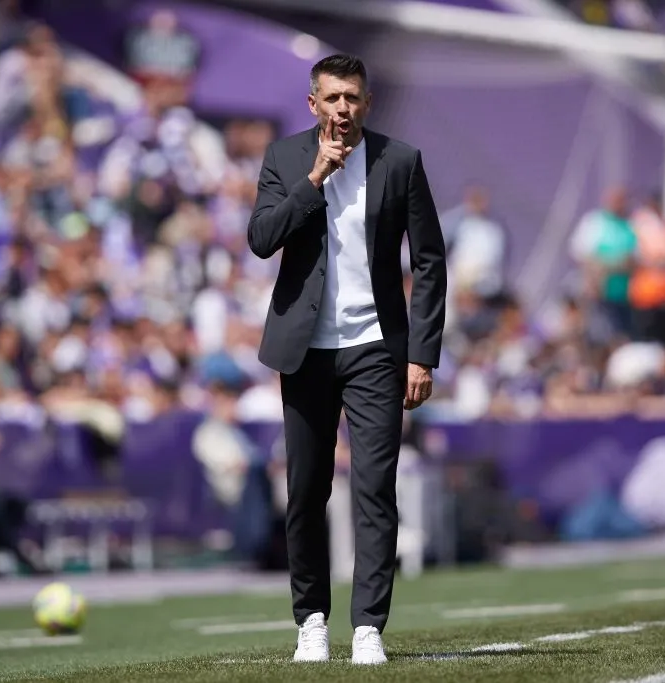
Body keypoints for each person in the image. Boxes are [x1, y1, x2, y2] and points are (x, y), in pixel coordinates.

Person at [247, 54, 447, 665]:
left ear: (367, 102)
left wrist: (421, 354)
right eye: (332, 98)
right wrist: (314, 179)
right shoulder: (284, 158)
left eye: (353, 98)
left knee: (374, 488)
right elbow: (261, 240)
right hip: (304, 349)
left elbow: (430, 260)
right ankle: (310, 619)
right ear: (313, 104)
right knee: (306, 491)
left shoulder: (401, 161)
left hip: (375, 349)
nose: (342, 109)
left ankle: (368, 627)